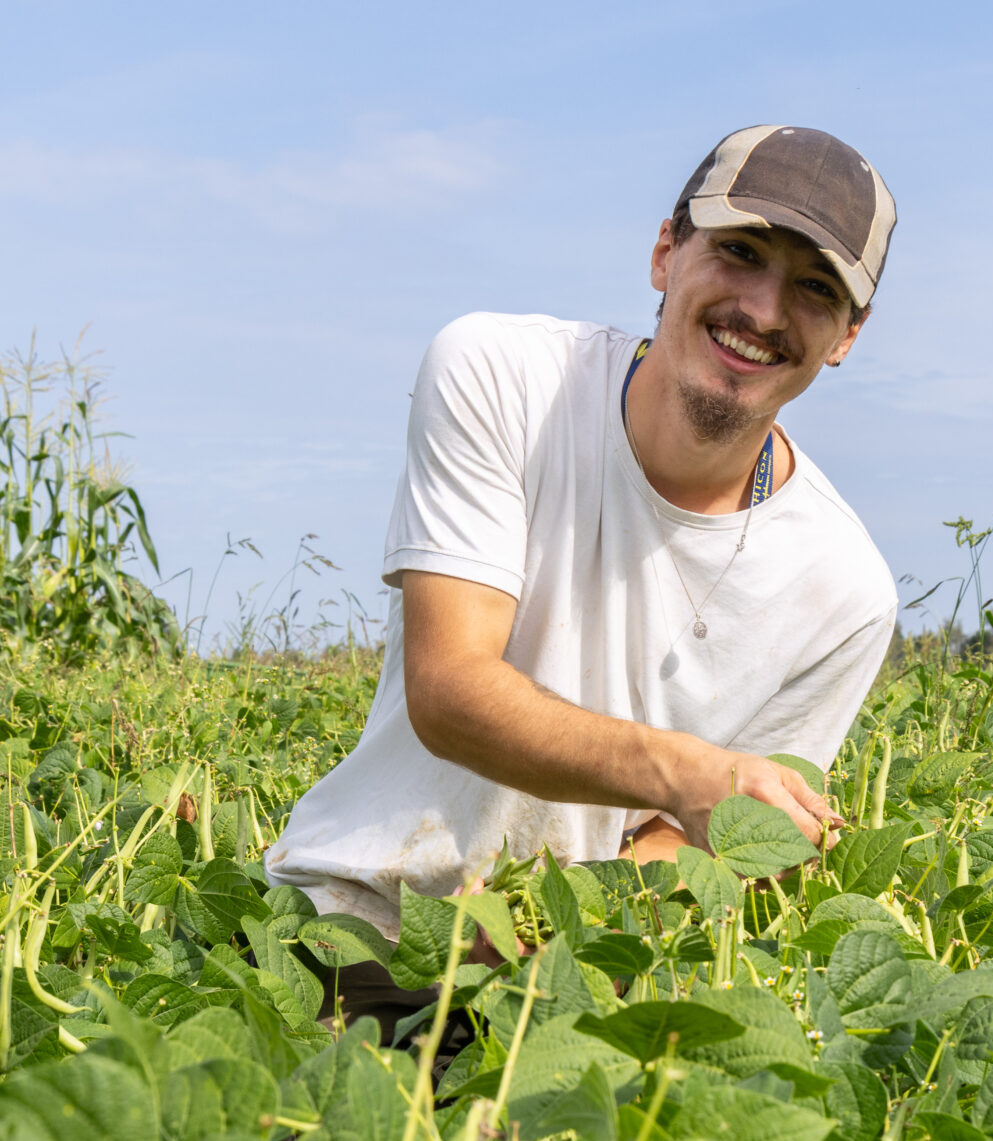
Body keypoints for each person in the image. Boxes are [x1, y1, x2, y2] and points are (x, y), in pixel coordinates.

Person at [265, 124, 901, 1041]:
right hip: (345, 933)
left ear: (847, 336)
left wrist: (562, 925)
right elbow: (450, 690)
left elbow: (689, 845)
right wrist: (690, 771)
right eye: (740, 252)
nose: (763, 310)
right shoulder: (506, 377)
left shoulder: (844, 592)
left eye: (815, 288)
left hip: (554, 990)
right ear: (664, 253)